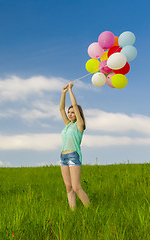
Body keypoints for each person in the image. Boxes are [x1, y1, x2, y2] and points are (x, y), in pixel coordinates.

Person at [59, 81, 90, 210]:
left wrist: (71, 90)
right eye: (69, 112)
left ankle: (90, 210)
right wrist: (63, 93)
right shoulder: (68, 125)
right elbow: (61, 109)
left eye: (72, 112)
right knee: (69, 187)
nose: (70, 114)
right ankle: (73, 212)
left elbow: (76, 107)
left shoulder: (79, 125)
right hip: (63, 157)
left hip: (73, 156)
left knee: (76, 187)